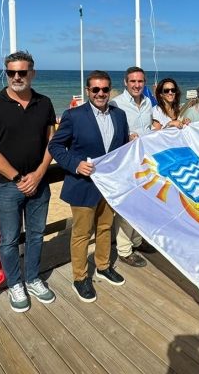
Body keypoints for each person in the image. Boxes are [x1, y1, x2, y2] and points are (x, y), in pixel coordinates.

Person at [0, 51, 57, 314]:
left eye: (22, 72)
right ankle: (15, 283)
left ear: (32, 73)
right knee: (9, 238)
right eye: (11, 72)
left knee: (36, 234)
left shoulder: (44, 103)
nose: (16, 77)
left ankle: (32, 278)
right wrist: (17, 177)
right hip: (6, 185)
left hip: (39, 182)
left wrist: (38, 174)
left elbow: (52, 141)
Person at [48, 70, 129, 302]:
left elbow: (122, 148)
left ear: (110, 89)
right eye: (96, 89)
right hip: (83, 184)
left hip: (109, 185)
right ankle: (80, 277)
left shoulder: (119, 115)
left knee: (105, 228)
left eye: (105, 89)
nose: (101, 93)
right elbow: (55, 147)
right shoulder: (73, 115)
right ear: (88, 91)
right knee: (82, 233)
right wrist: (75, 165)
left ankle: (103, 266)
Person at [109, 66, 156, 268]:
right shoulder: (115, 104)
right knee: (128, 208)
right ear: (126, 83)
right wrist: (126, 137)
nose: (137, 85)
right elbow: (109, 132)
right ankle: (125, 250)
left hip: (145, 163)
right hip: (126, 163)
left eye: (140, 81)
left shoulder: (148, 103)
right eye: (133, 81)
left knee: (143, 206)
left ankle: (136, 240)